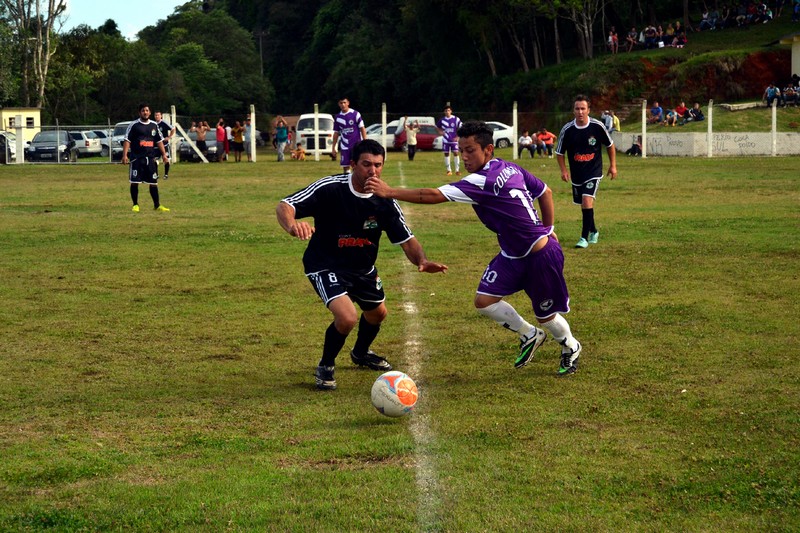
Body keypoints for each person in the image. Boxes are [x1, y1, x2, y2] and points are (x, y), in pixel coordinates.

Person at [365, 121, 583, 377]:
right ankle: (529, 335)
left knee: (546, 315)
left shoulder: (482, 180)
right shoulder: (509, 167)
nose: (464, 157)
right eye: (461, 150)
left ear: (488, 149)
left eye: (470, 150)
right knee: (484, 301)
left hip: (540, 257)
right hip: (512, 255)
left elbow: (432, 195)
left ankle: (571, 347)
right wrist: (548, 227)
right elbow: (544, 191)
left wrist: (389, 191)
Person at [276, 139, 447, 390]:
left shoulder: (385, 201)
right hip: (325, 264)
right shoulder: (330, 188)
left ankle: (360, 353)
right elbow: (285, 205)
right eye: (367, 164)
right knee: (347, 317)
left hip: (363, 268)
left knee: (378, 314)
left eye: (378, 165)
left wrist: (422, 260)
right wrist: (293, 225)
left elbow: (406, 239)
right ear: (353, 164)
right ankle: (326, 365)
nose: (373, 171)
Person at [555, 94, 617, 249]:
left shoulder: (597, 126)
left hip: (594, 171)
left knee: (586, 200)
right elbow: (559, 152)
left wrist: (613, 166)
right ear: (573, 110)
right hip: (577, 173)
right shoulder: (567, 130)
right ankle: (594, 230)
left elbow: (610, 145)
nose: (580, 111)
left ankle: (583, 238)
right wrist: (563, 170)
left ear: (589, 110)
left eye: (583, 108)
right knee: (584, 204)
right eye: (577, 109)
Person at [121, 103, 169, 213]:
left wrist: (164, 155)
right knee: (134, 182)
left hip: (150, 159)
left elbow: (159, 141)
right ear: (139, 113)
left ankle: (157, 205)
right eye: (143, 111)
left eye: (147, 110)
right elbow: (127, 140)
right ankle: (135, 205)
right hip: (137, 158)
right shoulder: (134, 125)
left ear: (150, 112)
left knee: (153, 182)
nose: (145, 112)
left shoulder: (154, 125)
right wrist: (125, 155)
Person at [331, 98, 367, 174]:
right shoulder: (338, 117)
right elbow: (336, 133)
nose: (343, 105)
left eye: (344, 102)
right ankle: (347, 183)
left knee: (356, 165)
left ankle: (356, 183)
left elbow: (362, 128)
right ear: (339, 104)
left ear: (348, 103)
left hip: (356, 145)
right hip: (344, 146)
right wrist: (333, 147)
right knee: (346, 167)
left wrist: (365, 142)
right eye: (341, 103)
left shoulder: (355, 114)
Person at [437, 105, 462, 175]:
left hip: (454, 140)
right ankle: (449, 170)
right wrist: (440, 132)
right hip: (446, 140)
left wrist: (457, 136)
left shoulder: (456, 119)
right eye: (446, 111)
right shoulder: (442, 120)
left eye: (448, 110)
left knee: (456, 153)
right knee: (446, 153)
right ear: (444, 112)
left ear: (451, 111)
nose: (447, 112)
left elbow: (461, 127)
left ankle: (457, 170)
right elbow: (437, 127)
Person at [153, 111, 175, 180]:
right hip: (156, 146)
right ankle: (156, 174)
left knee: (166, 159)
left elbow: (173, 129)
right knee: (154, 160)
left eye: (158, 115)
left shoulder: (164, 123)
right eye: (156, 115)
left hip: (164, 145)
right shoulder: (153, 124)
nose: (157, 116)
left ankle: (166, 175)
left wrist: (169, 137)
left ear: (161, 116)